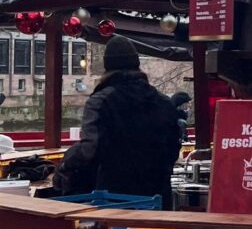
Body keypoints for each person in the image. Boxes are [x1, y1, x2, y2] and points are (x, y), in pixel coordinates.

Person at [52, 36, 181, 208]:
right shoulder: (164, 102)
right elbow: (174, 146)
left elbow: (89, 149)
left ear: (107, 67)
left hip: (116, 199)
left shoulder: (100, 101)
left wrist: (65, 165)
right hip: (157, 198)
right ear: (137, 64)